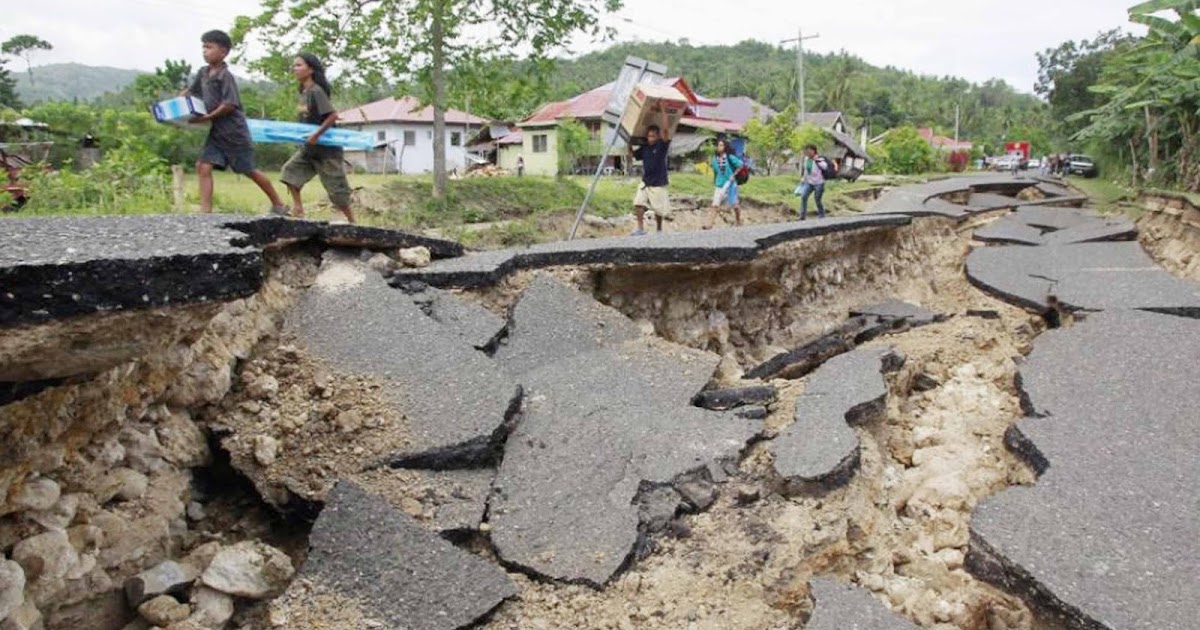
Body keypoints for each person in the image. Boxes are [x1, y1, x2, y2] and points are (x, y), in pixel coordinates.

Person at [184, 30, 286, 215]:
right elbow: (190, 93)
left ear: (223, 52)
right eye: (203, 47)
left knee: (248, 170)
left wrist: (207, 117)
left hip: (234, 133)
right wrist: (173, 106)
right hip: (217, 133)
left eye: (209, 47)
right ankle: (205, 212)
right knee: (203, 165)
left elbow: (230, 104)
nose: (204, 51)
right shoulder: (203, 73)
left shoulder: (225, 76)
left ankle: (278, 203)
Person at [279, 53, 355, 223]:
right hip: (309, 148)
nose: (294, 69)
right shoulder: (304, 92)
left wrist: (316, 135)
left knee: (337, 189)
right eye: (294, 65)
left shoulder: (316, 91)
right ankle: (298, 209)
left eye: (299, 65)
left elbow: (332, 116)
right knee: (289, 172)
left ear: (311, 69)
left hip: (327, 150)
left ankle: (352, 220)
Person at [629, 106, 671, 235]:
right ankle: (640, 229)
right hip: (646, 181)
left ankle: (659, 229)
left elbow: (666, 130)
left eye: (653, 136)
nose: (650, 138)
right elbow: (633, 155)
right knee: (638, 203)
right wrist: (628, 143)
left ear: (658, 136)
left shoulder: (662, 145)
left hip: (658, 182)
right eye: (648, 136)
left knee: (658, 210)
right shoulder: (645, 147)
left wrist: (663, 110)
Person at [703, 138, 743, 229]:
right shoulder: (714, 160)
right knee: (715, 204)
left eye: (721, 145)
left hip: (730, 184)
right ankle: (709, 224)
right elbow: (715, 172)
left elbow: (740, 165)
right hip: (719, 184)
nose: (719, 147)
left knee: (734, 204)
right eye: (718, 145)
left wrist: (734, 175)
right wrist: (714, 181)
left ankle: (738, 220)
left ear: (725, 147)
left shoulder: (730, 157)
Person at [796, 144, 826, 220]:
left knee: (817, 199)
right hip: (809, 182)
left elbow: (825, 166)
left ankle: (822, 215)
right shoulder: (807, 159)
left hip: (819, 182)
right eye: (806, 151)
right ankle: (802, 216)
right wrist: (803, 179)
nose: (807, 153)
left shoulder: (819, 158)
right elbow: (806, 170)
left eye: (809, 151)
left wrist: (816, 160)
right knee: (804, 196)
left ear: (813, 151)